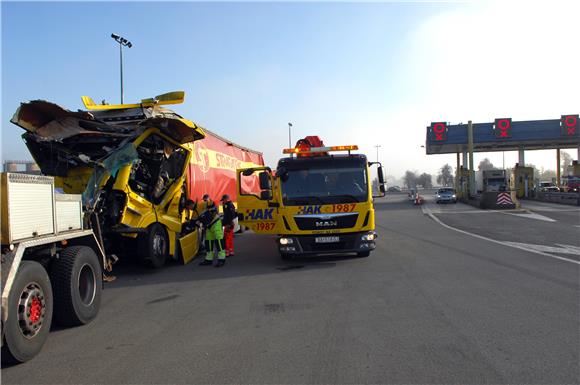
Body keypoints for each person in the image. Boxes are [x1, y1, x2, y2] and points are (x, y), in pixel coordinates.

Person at [198, 199, 226, 267]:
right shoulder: (200, 206)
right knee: (208, 242)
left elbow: (213, 212)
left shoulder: (208, 204)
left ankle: (221, 259)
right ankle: (208, 259)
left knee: (219, 241)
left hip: (215, 223)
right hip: (209, 226)